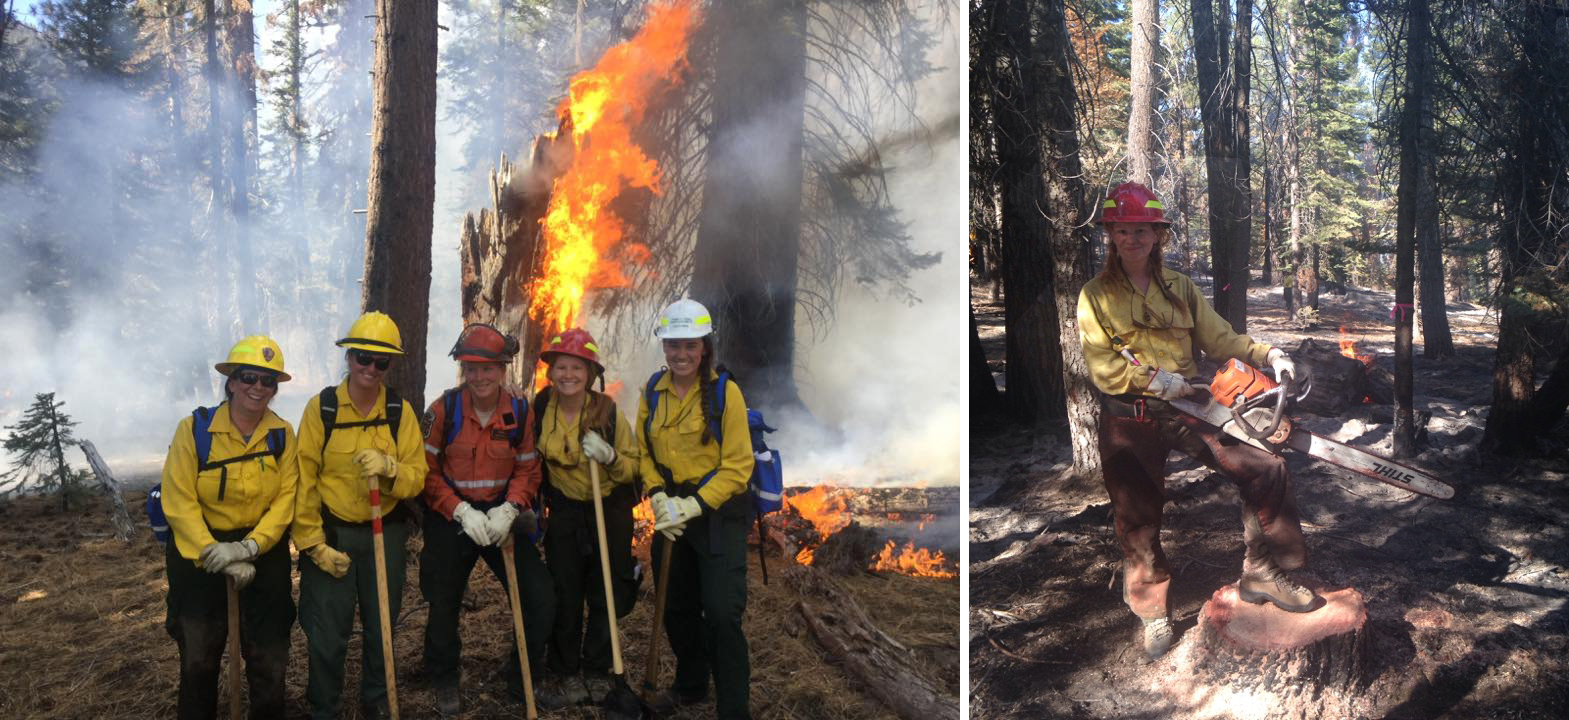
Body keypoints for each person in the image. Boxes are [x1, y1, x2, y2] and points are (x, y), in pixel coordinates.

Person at [1076, 182, 1321, 660]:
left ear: (1157, 235)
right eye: (1123, 230)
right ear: (1111, 234)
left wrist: (1270, 353)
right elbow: (1102, 365)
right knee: (1139, 519)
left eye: (1143, 230)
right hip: (1131, 416)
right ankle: (1152, 613)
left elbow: (1219, 338)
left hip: (1190, 407)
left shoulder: (1180, 287)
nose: (1133, 239)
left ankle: (1262, 572)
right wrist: (1156, 383)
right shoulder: (1096, 295)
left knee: (1263, 466)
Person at [292, 311, 428, 720]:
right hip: (334, 533)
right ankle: (324, 708)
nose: (370, 368)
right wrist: (312, 545)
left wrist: (390, 469)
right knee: (326, 633)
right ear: (349, 359)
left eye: (381, 361)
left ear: (390, 365)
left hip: (384, 533)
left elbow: (417, 476)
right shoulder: (323, 409)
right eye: (363, 358)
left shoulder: (398, 412)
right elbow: (304, 482)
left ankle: (378, 701)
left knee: (382, 627)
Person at [417, 323, 558, 715]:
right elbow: (424, 472)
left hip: (500, 514)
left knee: (539, 597)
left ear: (503, 370)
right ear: (463, 370)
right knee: (443, 600)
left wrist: (511, 507)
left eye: (488, 369)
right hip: (452, 515)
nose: (479, 377)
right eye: (471, 368)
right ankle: (444, 676)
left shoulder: (519, 410)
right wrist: (458, 510)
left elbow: (529, 469)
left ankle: (523, 677)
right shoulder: (443, 410)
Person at [160, 335, 298, 720]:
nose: (258, 388)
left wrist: (250, 548)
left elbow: (286, 499)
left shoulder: (282, 435)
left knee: (269, 657)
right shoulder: (194, 430)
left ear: (275, 389)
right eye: (248, 377)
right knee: (199, 658)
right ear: (231, 382)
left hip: (263, 553)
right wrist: (216, 554)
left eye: (267, 381)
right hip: (199, 554)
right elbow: (178, 501)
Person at [639, 299, 756, 720]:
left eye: (690, 345)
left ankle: (733, 709)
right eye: (673, 345)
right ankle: (691, 686)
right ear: (665, 346)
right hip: (671, 514)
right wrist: (657, 496)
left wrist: (695, 504)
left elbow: (739, 466)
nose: (681, 354)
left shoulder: (727, 393)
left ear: (704, 347)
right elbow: (643, 451)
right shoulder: (654, 391)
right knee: (676, 606)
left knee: (723, 614)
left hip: (716, 515)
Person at [535, 328, 642, 704]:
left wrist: (610, 456)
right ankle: (565, 671)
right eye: (562, 367)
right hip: (564, 510)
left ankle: (597, 668)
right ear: (551, 371)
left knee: (604, 590)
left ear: (591, 373)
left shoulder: (607, 411)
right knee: (565, 591)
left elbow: (633, 467)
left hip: (607, 510)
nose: (568, 375)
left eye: (577, 368)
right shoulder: (540, 407)